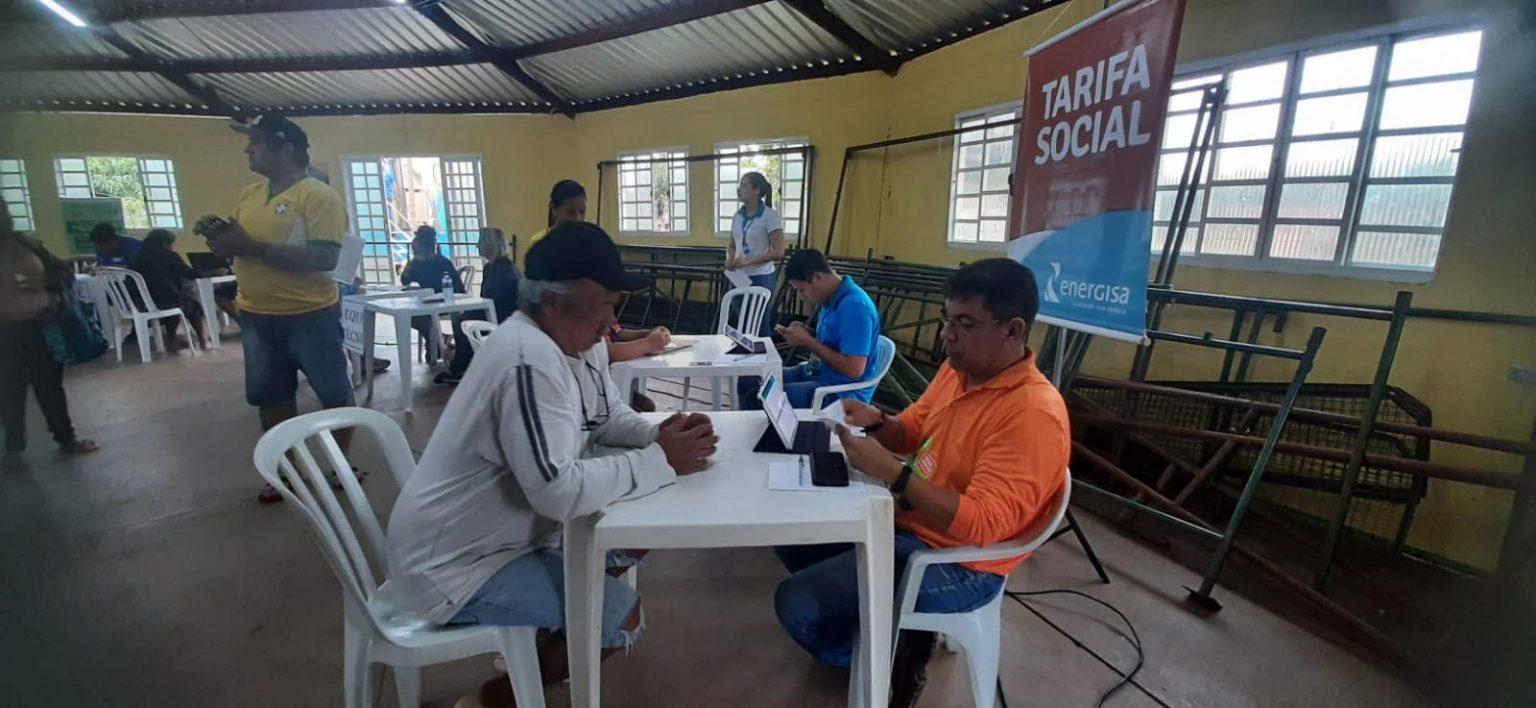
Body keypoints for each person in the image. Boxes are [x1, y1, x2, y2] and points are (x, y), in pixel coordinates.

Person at [387, 221, 719, 708]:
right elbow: (558, 491)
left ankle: (537, 647)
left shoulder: (576, 343)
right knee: (619, 615)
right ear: (551, 300)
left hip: (505, 536)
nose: (611, 322)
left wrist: (659, 435)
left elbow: (606, 417)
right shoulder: (527, 361)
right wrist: (660, 459)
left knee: (629, 541)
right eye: (602, 305)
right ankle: (493, 699)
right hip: (456, 565)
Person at [772, 258, 1069, 707]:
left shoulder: (1031, 414)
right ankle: (884, 625)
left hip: (958, 562)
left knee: (798, 605)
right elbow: (914, 429)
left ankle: (889, 651)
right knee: (792, 536)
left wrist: (892, 473)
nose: (947, 334)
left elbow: (982, 526)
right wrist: (877, 421)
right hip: (911, 519)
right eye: (947, 319)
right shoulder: (959, 370)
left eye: (965, 324)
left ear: (1013, 330)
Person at [195, 115, 356, 504]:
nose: (248, 149)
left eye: (258, 142)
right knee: (271, 399)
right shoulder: (250, 195)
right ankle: (286, 473)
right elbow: (242, 244)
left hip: (310, 316)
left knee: (334, 394)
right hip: (257, 316)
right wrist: (221, 237)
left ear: (286, 149)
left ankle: (338, 467)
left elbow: (325, 257)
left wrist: (253, 249)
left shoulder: (317, 197)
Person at [0, 199, 99, 458]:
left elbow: (63, 273)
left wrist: (43, 282)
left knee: (48, 384)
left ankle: (65, 438)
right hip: (4, 332)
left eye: (4, 211)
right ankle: (13, 444)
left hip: (37, 326)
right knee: (8, 387)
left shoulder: (26, 245)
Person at [737, 248, 880, 410]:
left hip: (839, 392)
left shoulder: (854, 307)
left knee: (760, 399)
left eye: (802, 290)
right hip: (816, 372)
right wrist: (807, 333)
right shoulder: (831, 299)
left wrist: (808, 341)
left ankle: (766, 425)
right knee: (748, 381)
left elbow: (853, 369)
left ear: (818, 277)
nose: (802, 297)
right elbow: (835, 342)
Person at [435, 227, 520, 385]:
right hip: (494, 312)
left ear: (489, 244)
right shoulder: (490, 268)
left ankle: (461, 368)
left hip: (506, 316)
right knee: (462, 320)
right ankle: (463, 366)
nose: (476, 245)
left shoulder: (505, 269)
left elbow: (500, 301)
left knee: (462, 322)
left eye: (480, 242)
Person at [128, 229, 215, 350]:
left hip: (139, 303)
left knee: (175, 300)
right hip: (162, 302)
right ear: (165, 243)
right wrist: (215, 272)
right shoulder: (168, 255)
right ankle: (203, 340)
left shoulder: (135, 256)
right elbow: (189, 273)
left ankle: (172, 339)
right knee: (192, 306)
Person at [726, 171, 785, 336]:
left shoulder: (770, 216)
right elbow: (732, 245)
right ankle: (744, 351)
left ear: (757, 190)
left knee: (758, 323)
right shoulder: (737, 216)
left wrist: (750, 261)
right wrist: (730, 259)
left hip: (761, 276)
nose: (739, 189)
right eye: (740, 185)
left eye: (744, 186)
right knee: (743, 321)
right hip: (738, 275)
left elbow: (779, 251)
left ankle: (763, 352)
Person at [399, 225, 465, 362]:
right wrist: (409, 265)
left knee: (417, 317)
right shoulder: (417, 263)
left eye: (415, 247)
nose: (413, 250)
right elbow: (405, 280)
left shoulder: (441, 262)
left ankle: (435, 341)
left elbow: (436, 286)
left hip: (448, 301)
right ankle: (436, 340)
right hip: (430, 302)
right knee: (410, 316)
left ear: (423, 247)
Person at [525, 179, 587, 252]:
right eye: (571, 212)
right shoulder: (539, 241)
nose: (578, 218)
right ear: (553, 208)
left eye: (582, 212)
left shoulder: (589, 240)